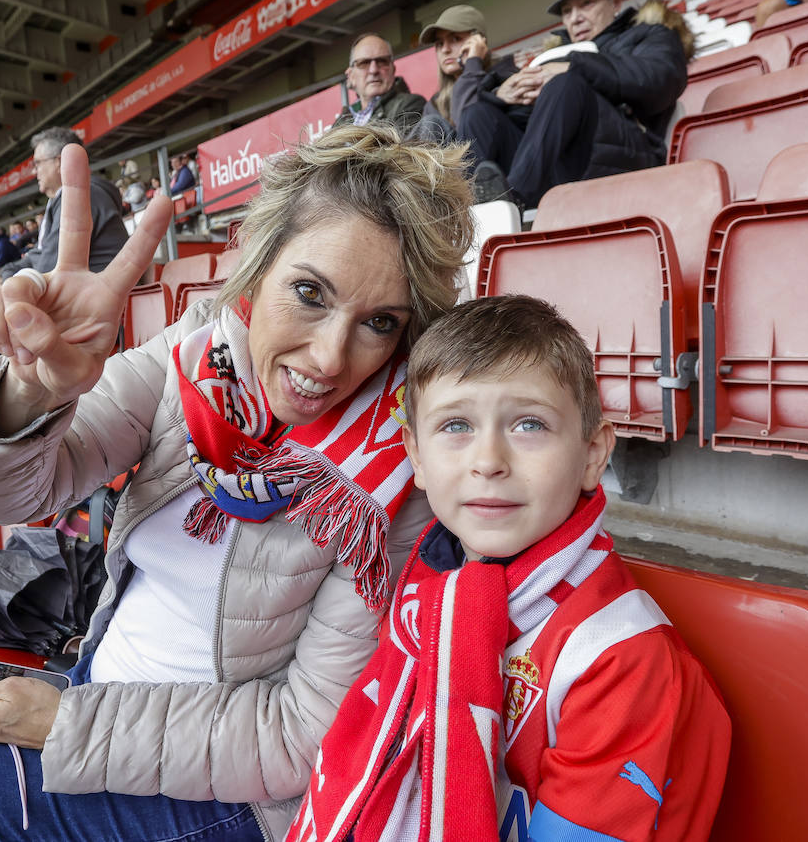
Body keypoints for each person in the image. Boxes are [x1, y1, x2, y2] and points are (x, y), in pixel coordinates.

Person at [0, 124, 475, 842]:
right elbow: (4, 493)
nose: (332, 359)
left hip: (222, 799)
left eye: (380, 322)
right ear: (256, 267)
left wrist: (67, 723)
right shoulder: (189, 359)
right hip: (96, 694)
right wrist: (33, 390)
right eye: (310, 293)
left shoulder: (399, 478)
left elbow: (299, 736)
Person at [286, 295, 731, 841]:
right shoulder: (424, 591)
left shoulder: (618, 658)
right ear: (416, 457)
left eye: (528, 425)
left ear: (593, 453)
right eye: (455, 426)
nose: (489, 460)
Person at [459, 0, 693, 211]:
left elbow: (660, 80)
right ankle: (471, 215)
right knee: (477, 114)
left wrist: (576, 67)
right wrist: (502, 95)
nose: (575, 18)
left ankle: (512, 202)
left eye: (587, 3)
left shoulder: (651, 34)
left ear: (616, 1)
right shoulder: (555, 56)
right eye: (567, 10)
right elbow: (536, 121)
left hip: (629, 153)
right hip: (558, 161)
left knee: (565, 85)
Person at [0, 128, 128, 281]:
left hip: (98, 299)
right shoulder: (65, 198)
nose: (34, 171)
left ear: (59, 162)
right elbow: (45, 254)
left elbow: (48, 270)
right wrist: (12, 269)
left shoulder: (84, 195)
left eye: (38, 163)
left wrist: (12, 276)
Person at [416, 4, 518, 141]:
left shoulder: (506, 77)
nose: (445, 49)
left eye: (455, 39)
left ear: (479, 42)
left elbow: (470, 131)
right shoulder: (435, 104)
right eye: (440, 43)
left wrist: (473, 63)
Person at [332, 34, 427, 135]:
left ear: (393, 69)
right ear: (351, 75)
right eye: (364, 63)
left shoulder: (411, 105)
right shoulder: (342, 120)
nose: (373, 70)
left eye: (382, 61)